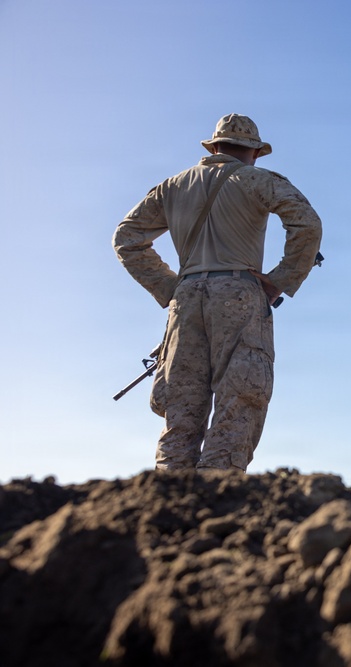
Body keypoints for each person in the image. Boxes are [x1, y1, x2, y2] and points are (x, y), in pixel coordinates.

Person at [112, 113, 323, 472]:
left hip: (185, 300)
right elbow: (306, 223)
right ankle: (218, 493)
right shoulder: (257, 179)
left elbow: (127, 238)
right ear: (254, 152)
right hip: (239, 294)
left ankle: (169, 501)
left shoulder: (172, 186)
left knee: (181, 409)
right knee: (239, 399)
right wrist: (279, 280)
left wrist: (169, 287)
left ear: (213, 147)